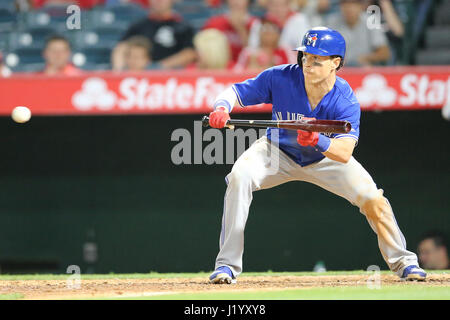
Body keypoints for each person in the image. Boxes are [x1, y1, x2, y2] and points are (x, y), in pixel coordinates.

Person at [207, 27, 426, 284]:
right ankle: (227, 266)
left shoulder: (344, 99)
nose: (307, 64)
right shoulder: (281, 77)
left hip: (325, 159)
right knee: (239, 177)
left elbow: (344, 153)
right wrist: (222, 107)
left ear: (336, 63)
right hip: (277, 151)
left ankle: (404, 262)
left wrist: (318, 140)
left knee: (372, 198)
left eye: (316, 59)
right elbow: (235, 92)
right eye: (304, 56)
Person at [111, 0, 196, 71]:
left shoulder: (183, 27)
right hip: (140, 74)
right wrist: (119, 70)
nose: (159, 1)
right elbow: (121, 47)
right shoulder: (139, 25)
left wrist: (160, 66)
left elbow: (190, 53)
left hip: (171, 76)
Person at [326, 0, 390, 66]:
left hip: (364, 68)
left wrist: (366, 58)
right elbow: (324, 50)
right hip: (340, 68)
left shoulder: (371, 21)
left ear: (361, 6)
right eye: (345, 4)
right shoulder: (332, 23)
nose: (349, 8)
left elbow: (384, 53)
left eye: (353, 4)